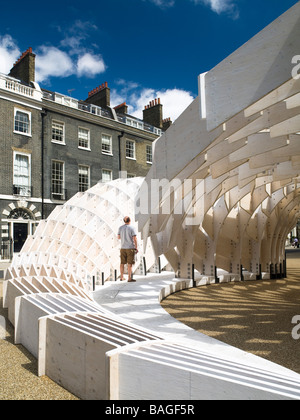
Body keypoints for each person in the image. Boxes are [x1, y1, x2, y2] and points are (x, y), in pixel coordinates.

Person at [118, 216, 138, 282]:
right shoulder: (132, 228)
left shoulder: (120, 228)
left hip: (123, 247)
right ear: (130, 220)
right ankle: (129, 278)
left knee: (122, 263)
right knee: (130, 264)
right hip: (130, 248)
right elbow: (134, 238)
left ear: (124, 221)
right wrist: (136, 247)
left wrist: (124, 237)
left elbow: (118, 237)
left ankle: (121, 277)